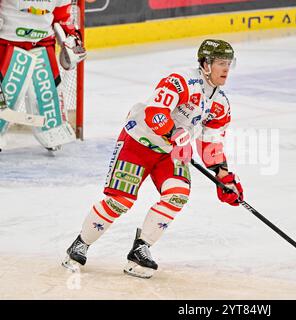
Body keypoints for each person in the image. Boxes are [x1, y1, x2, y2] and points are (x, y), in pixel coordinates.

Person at [62, 39, 244, 279]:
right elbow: (154, 113)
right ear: (205, 64)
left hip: (170, 153)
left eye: (229, 64)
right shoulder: (180, 82)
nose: (226, 70)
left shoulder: (220, 104)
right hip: (138, 143)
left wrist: (223, 174)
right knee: (120, 201)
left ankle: (141, 248)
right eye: (221, 63)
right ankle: (80, 243)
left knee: (177, 194)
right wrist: (173, 132)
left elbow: (211, 141)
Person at [0, 0, 86, 151]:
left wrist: (71, 38)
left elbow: (62, 13)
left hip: (43, 41)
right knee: (8, 90)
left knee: (48, 94)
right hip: (7, 40)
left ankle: (51, 130)